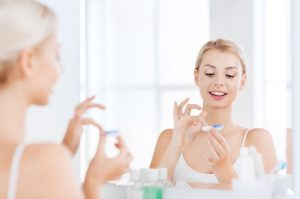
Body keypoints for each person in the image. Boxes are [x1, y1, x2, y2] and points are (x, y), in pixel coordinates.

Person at [0, 1, 132, 198]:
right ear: (28, 62)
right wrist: (93, 183)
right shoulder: (48, 161)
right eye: (56, 55)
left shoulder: (41, 162)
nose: (60, 70)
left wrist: (66, 150)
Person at [150, 39, 277, 187]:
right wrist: (177, 145)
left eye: (229, 75)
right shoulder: (169, 139)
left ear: (242, 81)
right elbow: (147, 195)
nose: (219, 82)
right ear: (197, 77)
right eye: (210, 73)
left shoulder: (258, 140)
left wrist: (223, 168)